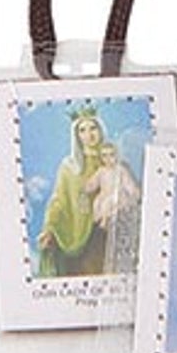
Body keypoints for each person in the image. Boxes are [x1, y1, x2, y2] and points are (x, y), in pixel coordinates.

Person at [34, 107, 112, 276]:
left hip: (105, 229)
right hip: (76, 231)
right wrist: (49, 228)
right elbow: (59, 200)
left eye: (93, 128)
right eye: (82, 130)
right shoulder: (69, 167)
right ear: (76, 136)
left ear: (100, 130)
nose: (89, 135)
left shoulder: (110, 161)